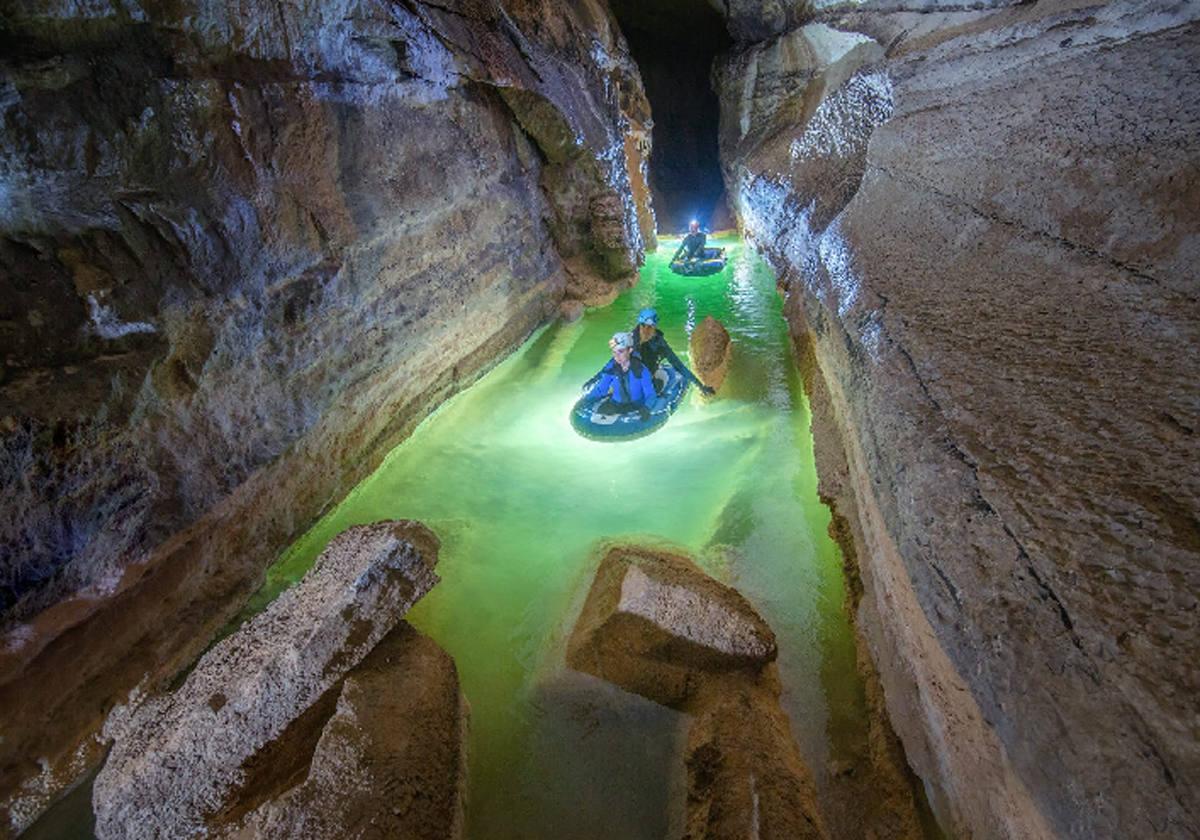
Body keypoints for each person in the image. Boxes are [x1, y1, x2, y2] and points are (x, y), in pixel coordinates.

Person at [632, 308, 715, 395]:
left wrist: (701, 386)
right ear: (640, 326)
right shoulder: (630, 342)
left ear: (654, 327)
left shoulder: (659, 342)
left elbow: (678, 365)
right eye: (643, 326)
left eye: (650, 327)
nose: (646, 330)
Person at [584, 331, 656, 418]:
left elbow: (650, 394)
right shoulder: (611, 368)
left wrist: (647, 407)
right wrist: (587, 401)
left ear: (630, 350)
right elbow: (601, 389)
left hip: (636, 406)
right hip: (616, 404)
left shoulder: (641, 370)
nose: (617, 356)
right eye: (614, 352)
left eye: (621, 351)